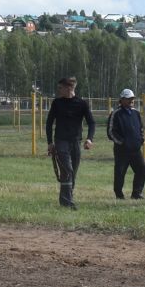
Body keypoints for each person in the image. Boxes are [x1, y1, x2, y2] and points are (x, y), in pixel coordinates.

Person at [44, 76, 95, 209]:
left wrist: (89, 139)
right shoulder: (56, 103)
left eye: (60, 88)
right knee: (67, 170)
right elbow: (49, 123)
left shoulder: (82, 103)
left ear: (69, 88)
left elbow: (91, 122)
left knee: (73, 172)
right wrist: (50, 142)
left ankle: (67, 198)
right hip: (61, 141)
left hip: (75, 142)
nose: (58, 90)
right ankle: (67, 202)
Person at [108, 88, 145, 201]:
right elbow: (111, 132)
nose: (131, 101)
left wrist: (141, 139)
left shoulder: (136, 113)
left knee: (142, 169)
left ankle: (136, 193)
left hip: (135, 149)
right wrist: (122, 143)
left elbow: (141, 128)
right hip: (122, 150)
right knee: (120, 172)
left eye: (132, 98)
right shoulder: (116, 114)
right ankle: (119, 194)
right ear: (122, 100)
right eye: (129, 99)